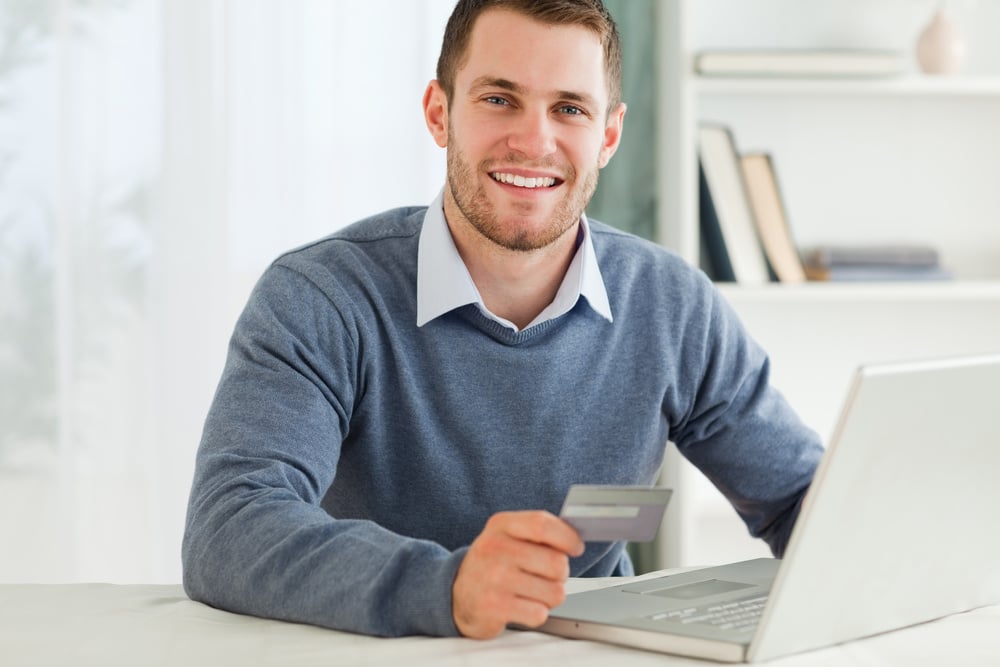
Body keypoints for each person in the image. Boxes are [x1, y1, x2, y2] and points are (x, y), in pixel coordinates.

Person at [182, 0, 823, 641]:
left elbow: (806, 503)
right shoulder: (322, 297)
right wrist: (446, 586)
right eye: (499, 99)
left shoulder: (672, 305)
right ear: (440, 113)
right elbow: (231, 527)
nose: (534, 141)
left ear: (607, 136)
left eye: (569, 108)